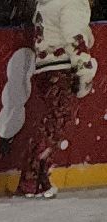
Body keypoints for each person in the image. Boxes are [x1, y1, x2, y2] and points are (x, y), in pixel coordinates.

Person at [17, 0, 97, 198]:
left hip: (46, 67)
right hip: (60, 68)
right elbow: (74, 38)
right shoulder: (73, 3)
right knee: (56, 124)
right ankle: (32, 180)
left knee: (53, 124)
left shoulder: (47, 3)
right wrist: (84, 70)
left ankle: (38, 178)